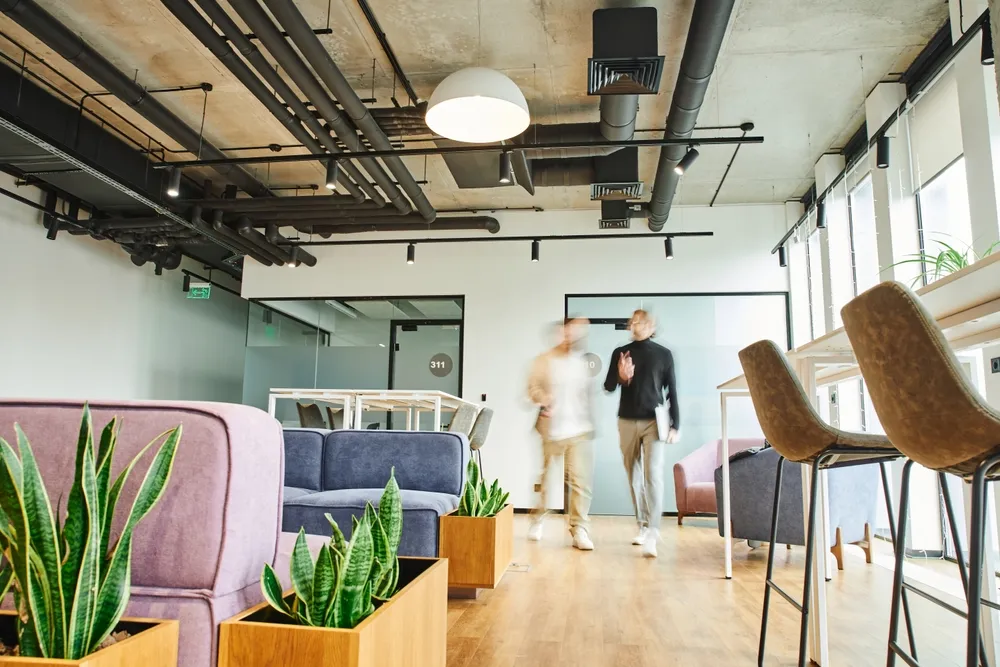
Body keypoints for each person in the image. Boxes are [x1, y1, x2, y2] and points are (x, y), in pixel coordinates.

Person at [604, 309, 679, 558]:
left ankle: (653, 532)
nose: (635, 325)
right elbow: (608, 386)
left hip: (654, 421)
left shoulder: (664, 354)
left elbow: (672, 391)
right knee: (634, 475)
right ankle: (643, 524)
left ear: (650, 325)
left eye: (640, 322)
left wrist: (675, 424)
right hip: (626, 420)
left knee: (653, 474)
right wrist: (621, 376)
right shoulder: (621, 353)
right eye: (632, 322)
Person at [526, 318, 595, 551]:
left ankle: (579, 529)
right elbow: (532, 388)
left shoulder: (581, 363)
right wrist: (544, 399)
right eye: (566, 333)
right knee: (547, 478)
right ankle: (538, 517)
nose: (569, 337)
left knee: (579, 481)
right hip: (551, 429)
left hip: (579, 430)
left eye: (574, 333)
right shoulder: (543, 361)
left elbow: (586, 396)